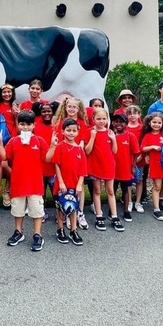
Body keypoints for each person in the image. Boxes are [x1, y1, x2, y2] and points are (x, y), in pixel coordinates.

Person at [4, 110, 48, 252]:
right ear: (18, 125)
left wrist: (53, 145)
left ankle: (37, 234)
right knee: (18, 210)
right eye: (22, 124)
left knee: (36, 210)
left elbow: (47, 158)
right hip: (18, 183)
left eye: (28, 124)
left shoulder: (39, 141)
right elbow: (5, 157)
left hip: (35, 184)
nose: (25, 127)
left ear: (34, 125)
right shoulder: (13, 141)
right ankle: (18, 232)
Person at [46, 118, 86, 246]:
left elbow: (83, 169)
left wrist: (80, 184)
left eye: (74, 131)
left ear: (78, 132)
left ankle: (73, 230)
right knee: (60, 207)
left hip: (74, 184)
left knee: (73, 207)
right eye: (68, 130)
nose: (71, 133)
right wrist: (61, 182)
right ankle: (60, 229)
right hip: (62, 183)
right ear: (63, 131)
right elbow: (57, 165)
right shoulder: (60, 147)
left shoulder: (80, 149)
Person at [52, 97, 91, 229]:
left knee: (78, 190)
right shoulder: (61, 123)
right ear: (65, 107)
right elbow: (58, 139)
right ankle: (67, 213)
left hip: (77, 157)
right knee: (64, 190)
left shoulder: (82, 123)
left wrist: (79, 146)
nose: (72, 109)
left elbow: (83, 140)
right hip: (64, 156)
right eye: (69, 106)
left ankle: (79, 212)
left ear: (78, 109)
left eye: (75, 107)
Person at [85, 108, 121, 231]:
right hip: (95, 165)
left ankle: (114, 216)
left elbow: (114, 151)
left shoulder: (110, 132)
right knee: (97, 191)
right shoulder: (90, 131)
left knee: (110, 191)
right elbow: (87, 151)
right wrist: (92, 137)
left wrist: (114, 139)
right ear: (93, 119)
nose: (101, 121)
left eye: (104, 119)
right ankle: (99, 215)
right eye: (98, 119)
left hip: (108, 165)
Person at [111, 112, 140, 222]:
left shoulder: (130, 136)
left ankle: (126, 211)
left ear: (126, 123)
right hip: (113, 168)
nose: (118, 124)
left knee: (125, 190)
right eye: (116, 121)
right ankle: (111, 210)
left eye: (121, 122)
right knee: (112, 189)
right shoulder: (111, 135)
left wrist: (133, 166)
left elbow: (136, 152)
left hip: (125, 168)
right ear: (113, 123)